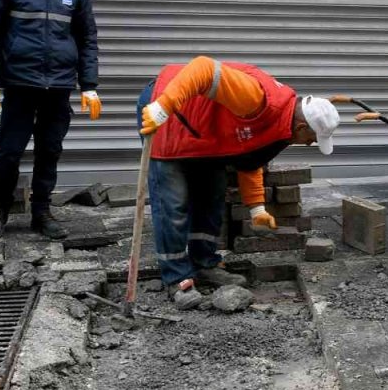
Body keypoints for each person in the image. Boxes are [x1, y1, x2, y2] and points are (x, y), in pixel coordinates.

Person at [138, 56, 341, 307]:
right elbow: (203, 68)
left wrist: (257, 207)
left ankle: (204, 263)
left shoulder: (282, 122)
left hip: (204, 131)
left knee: (211, 196)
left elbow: (251, 154)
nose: (310, 144)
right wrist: (162, 107)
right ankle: (177, 278)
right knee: (174, 203)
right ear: (301, 127)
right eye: (312, 139)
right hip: (169, 112)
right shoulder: (257, 98)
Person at [0, 0, 100, 241]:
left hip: (58, 86)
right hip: (20, 84)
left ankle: (41, 212)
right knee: (9, 152)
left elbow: (87, 40)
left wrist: (89, 85)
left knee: (50, 150)